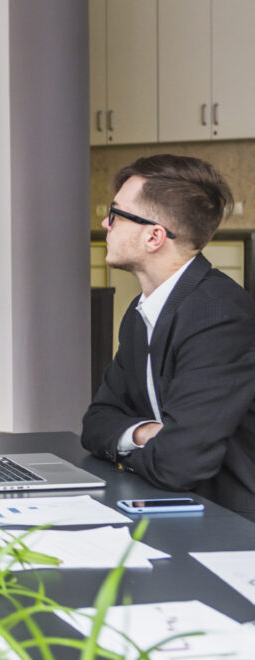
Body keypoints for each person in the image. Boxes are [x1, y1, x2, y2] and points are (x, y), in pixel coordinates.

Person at [81, 154, 255, 521]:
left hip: (231, 526)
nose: (104, 223)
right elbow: (96, 423)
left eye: (115, 214)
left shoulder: (218, 316)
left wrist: (136, 445)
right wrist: (145, 433)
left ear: (154, 236)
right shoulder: (140, 312)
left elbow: (178, 464)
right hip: (175, 507)